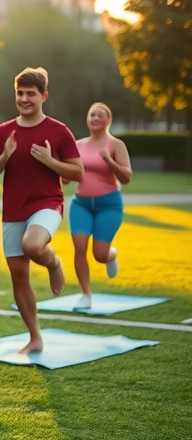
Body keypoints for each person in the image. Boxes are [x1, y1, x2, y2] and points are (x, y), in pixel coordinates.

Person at [0, 67, 83, 354]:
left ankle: (53, 263)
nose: (25, 99)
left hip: (47, 203)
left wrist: (51, 162)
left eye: (31, 94)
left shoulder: (58, 131)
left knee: (32, 245)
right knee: (18, 275)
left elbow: (77, 172)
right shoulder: (3, 132)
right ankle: (35, 337)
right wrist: (4, 155)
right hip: (13, 209)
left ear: (44, 96)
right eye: (20, 93)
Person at [69, 102, 132, 310]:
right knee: (79, 248)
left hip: (109, 204)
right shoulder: (77, 145)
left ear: (108, 120)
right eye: (92, 115)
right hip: (81, 204)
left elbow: (127, 177)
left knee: (99, 254)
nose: (95, 118)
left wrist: (110, 161)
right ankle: (86, 295)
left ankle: (110, 255)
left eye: (100, 115)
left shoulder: (115, 145)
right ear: (87, 119)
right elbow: (67, 178)